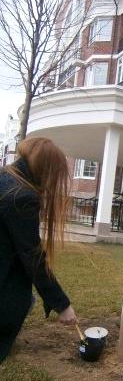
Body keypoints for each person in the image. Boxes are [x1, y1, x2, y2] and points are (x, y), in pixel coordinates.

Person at [0, 137, 77, 363]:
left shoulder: (5, 177)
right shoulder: (21, 196)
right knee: (19, 301)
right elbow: (32, 257)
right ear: (47, 171)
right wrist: (62, 304)